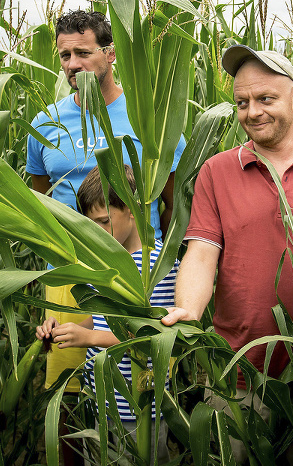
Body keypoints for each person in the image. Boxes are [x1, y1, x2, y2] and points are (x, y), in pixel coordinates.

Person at [160, 45, 293, 463]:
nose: (252, 112)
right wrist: (188, 309)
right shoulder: (217, 171)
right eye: (242, 102)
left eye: (265, 99)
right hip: (240, 365)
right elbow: (203, 252)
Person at [26, 10, 185, 464]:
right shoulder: (47, 124)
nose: (73, 64)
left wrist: (163, 261)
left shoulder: (149, 119)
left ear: (111, 54)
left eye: (83, 52)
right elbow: (37, 204)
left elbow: (172, 203)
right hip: (70, 276)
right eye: (64, 56)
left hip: (139, 276)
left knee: (137, 393)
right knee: (71, 394)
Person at [37, 166, 178, 464]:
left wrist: (87, 338)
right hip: (102, 401)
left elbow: (150, 336)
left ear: (132, 210)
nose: (98, 234)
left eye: (104, 222)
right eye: (92, 226)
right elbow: (103, 318)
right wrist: (66, 328)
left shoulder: (158, 267)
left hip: (140, 409)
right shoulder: (105, 264)